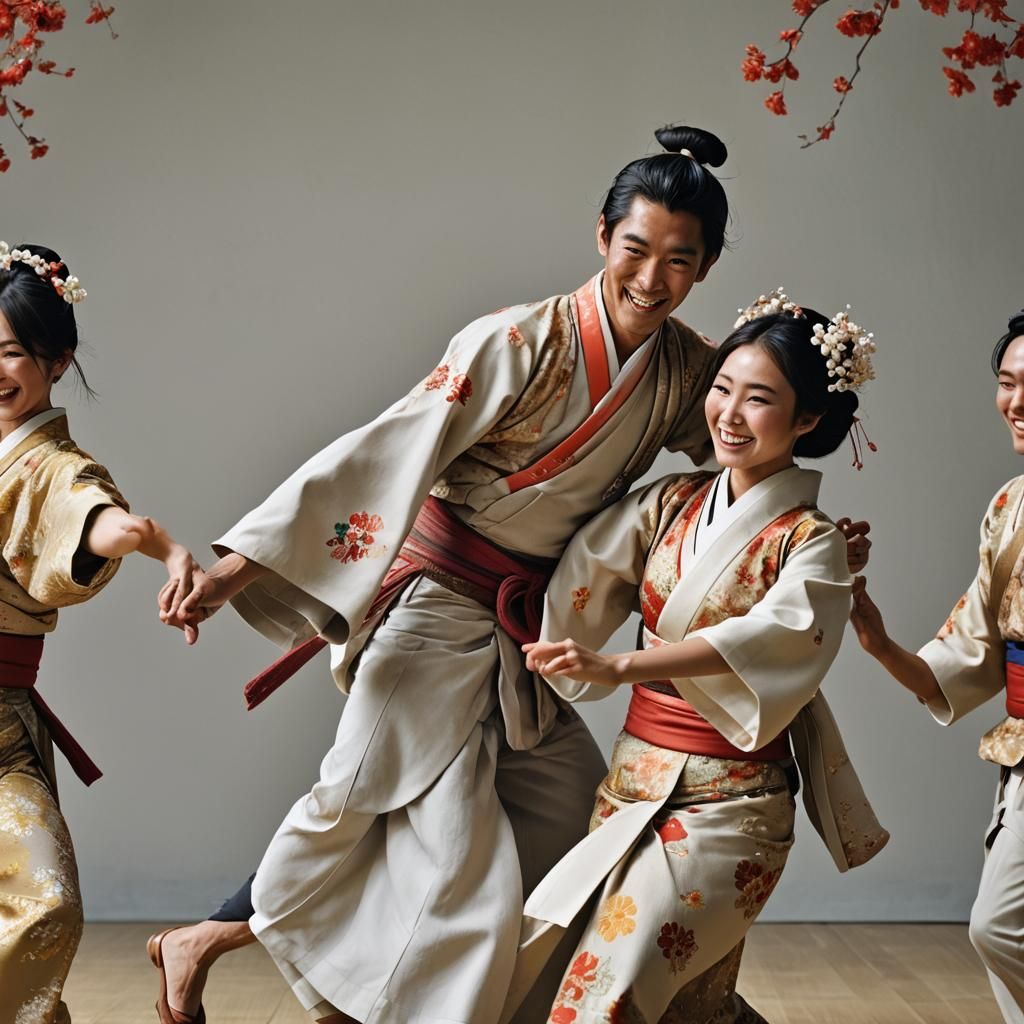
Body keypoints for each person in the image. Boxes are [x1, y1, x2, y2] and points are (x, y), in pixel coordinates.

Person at [157, 131, 869, 1024]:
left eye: (678, 262)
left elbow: (742, 447)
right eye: (635, 250)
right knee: (363, 800)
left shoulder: (690, 368)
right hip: (433, 604)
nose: (650, 279)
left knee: (566, 808)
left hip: (526, 628)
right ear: (602, 235)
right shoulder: (518, 340)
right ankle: (218, 939)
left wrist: (800, 541)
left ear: (707, 267)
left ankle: (478, 999)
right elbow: (391, 448)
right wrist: (238, 566)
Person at [511, 290, 888, 1023]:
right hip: (632, 783)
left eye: (759, 400)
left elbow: (771, 640)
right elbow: (572, 563)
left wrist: (621, 666)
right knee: (691, 1006)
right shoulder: (671, 504)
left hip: (733, 805)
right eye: (721, 389)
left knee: (605, 995)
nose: (729, 414)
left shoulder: (812, 544)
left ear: (807, 420)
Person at [0, 243, 197, 1024]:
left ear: (57, 361)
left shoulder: (51, 466)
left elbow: (92, 514)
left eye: (12, 352)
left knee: (43, 903)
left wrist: (144, 539)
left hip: (0, 733)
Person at [850, 308, 1024, 1024]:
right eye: (1008, 382)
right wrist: (882, 644)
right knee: (1003, 928)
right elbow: (972, 651)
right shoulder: (1011, 506)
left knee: (1002, 926)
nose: (1017, 402)